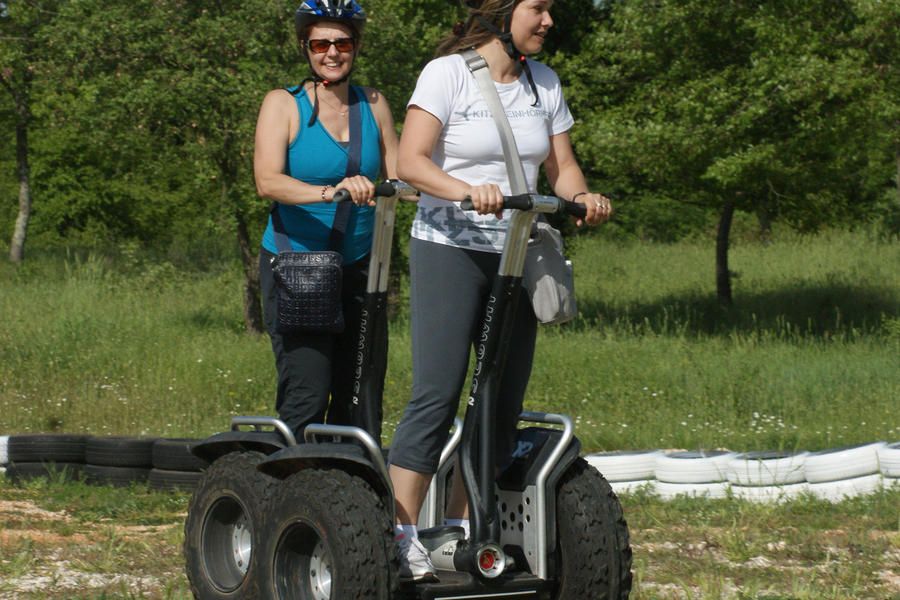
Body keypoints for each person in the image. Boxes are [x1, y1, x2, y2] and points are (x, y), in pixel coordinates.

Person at [387, 0, 612, 581]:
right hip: (450, 248)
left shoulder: (545, 82)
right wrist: (465, 190)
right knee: (438, 394)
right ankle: (399, 534)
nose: (548, 21)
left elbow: (561, 166)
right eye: (538, 8)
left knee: (500, 400)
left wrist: (582, 197)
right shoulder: (447, 74)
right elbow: (411, 161)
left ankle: (458, 530)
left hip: (516, 252)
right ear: (502, 12)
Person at [254, 0, 399, 438]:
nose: (332, 52)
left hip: (361, 266)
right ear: (306, 47)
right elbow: (267, 181)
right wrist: (332, 193)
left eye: (343, 43)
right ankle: (288, 476)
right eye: (321, 44)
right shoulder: (284, 104)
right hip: (299, 265)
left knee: (360, 395)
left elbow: (402, 176)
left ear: (356, 47)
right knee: (308, 393)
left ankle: (349, 477)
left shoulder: (374, 104)